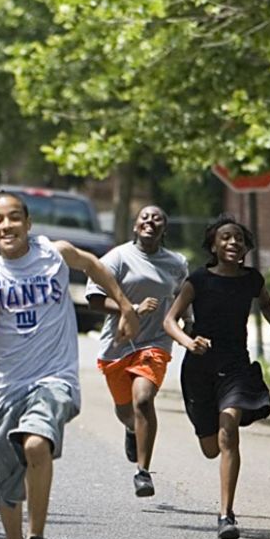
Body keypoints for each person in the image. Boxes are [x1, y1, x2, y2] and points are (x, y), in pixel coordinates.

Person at [0, 192, 138, 539]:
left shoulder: (54, 253)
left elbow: (93, 265)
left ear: (27, 222)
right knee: (6, 481)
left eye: (13, 218)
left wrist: (124, 305)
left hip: (53, 376)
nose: (6, 227)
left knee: (37, 443)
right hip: (3, 385)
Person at [162, 215, 270, 539]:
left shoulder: (251, 279)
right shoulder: (199, 280)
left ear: (246, 247)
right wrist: (188, 341)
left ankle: (226, 514)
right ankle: (219, 426)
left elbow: (265, 302)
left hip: (235, 365)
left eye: (238, 239)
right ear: (213, 246)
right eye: (225, 238)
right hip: (199, 369)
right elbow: (170, 320)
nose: (233, 243)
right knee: (211, 448)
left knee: (228, 432)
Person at [86, 205, 188, 497]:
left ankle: (143, 472)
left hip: (155, 342)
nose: (150, 222)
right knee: (126, 411)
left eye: (158, 218)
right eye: (145, 217)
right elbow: (94, 298)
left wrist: (189, 322)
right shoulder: (118, 257)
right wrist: (129, 309)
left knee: (143, 400)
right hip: (117, 344)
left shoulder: (176, 262)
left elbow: (183, 296)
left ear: (164, 228)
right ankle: (132, 430)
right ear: (135, 226)